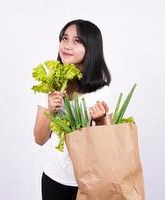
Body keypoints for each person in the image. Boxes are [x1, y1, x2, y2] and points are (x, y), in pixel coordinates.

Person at [33, 19, 112, 200]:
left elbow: (109, 147)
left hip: (90, 181)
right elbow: (39, 139)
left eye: (77, 41)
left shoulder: (102, 91)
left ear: (91, 48)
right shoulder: (50, 84)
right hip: (53, 177)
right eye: (65, 38)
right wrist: (50, 109)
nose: (67, 46)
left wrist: (101, 120)